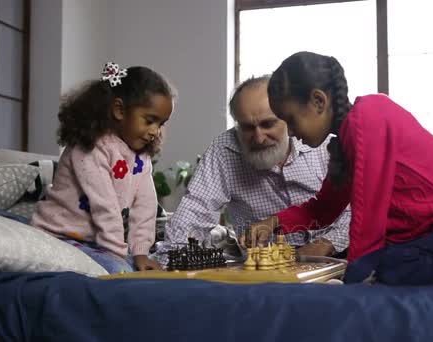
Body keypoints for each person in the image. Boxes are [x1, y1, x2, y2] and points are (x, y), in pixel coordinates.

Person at [244, 51, 433, 321]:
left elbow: (369, 219)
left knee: (384, 264)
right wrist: (273, 223)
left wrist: (355, 282)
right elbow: (323, 208)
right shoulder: (345, 143)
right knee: (377, 262)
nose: (293, 134)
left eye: (292, 120)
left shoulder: (371, 115)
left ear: (318, 101)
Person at [156, 75, 350, 266]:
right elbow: (195, 210)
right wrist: (168, 261)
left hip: (338, 256)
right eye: (248, 127)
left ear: (287, 118)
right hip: (264, 267)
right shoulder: (224, 150)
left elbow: (358, 205)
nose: (258, 138)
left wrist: (326, 244)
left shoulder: (324, 141)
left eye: (268, 124)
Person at [32, 62, 176, 274]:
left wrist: (140, 252)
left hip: (98, 243)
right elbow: (105, 206)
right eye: (149, 121)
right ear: (119, 110)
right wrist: (119, 255)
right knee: (121, 271)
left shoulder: (141, 157)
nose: (155, 131)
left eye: (160, 124)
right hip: (60, 235)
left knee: (141, 268)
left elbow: (145, 206)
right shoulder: (91, 147)